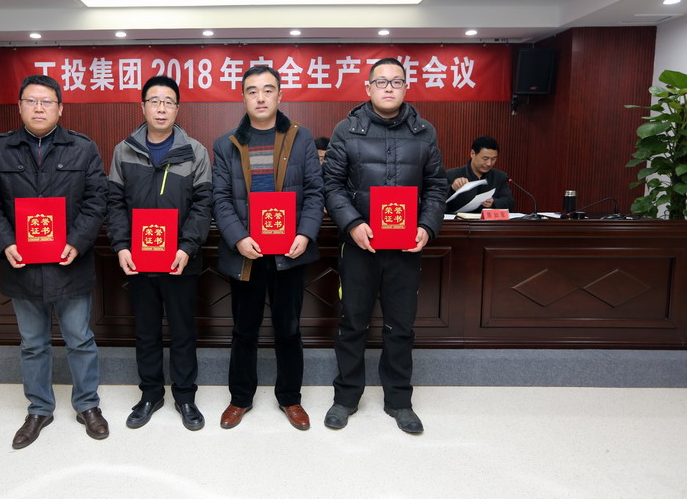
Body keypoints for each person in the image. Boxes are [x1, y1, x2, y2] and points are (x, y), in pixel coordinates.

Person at [0, 74, 109, 449]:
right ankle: (39, 409)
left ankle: (87, 405)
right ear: (19, 107)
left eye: (46, 101)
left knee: (80, 339)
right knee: (33, 343)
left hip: (70, 263)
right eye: (31, 101)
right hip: (23, 264)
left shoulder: (83, 148)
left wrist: (78, 241)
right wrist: (5, 243)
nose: (38, 108)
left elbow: (98, 200)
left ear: (60, 108)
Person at [322, 57, 447, 434]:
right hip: (359, 246)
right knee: (352, 323)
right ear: (368, 88)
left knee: (400, 326)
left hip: (405, 248)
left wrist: (427, 226)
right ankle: (346, 398)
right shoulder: (347, 130)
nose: (389, 88)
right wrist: (352, 223)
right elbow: (332, 185)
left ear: (406, 87)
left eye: (396, 82)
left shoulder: (424, 132)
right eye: (381, 82)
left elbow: (436, 187)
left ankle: (399, 401)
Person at [212, 65, 324, 431]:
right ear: (243, 97)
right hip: (246, 252)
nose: (260, 97)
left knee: (288, 328)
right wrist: (238, 238)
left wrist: (305, 234)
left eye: (268, 90)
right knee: (244, 329)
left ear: (279, 95)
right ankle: (240, 398)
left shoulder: (300, 137)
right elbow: (220, 199)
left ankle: (290, 397)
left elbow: (315, 192)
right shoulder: (227, 143)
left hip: (288, 251)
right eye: (252, 91)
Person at [106, 75, 212, 431]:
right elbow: (114, 203)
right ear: (143, 107)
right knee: (146, 330)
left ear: (177, 109)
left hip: (181, 259)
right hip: (138, 259)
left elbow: (203, 205)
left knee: (183, 330)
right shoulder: (124, 150)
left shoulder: (195, 151)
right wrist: (121, 245)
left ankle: (185, 396)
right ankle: (150, 394)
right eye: (155, 101)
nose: (161, 108)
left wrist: (187, 246)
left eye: (168, 102)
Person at [446, 135, 515, 213]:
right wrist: (452, 188)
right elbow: (438, 202)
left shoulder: (500, 177)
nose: (489, 163)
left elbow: (509, 203)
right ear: (472, 154)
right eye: (485, 158)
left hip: (488, 220)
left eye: (493, 159)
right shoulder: (451, 175)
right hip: (458, 220)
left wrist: (494, 203)